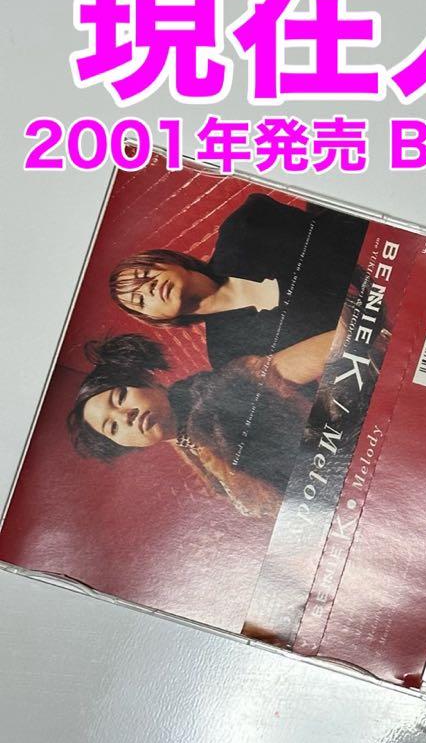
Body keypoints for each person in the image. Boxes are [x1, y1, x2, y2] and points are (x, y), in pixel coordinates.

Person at [67, 331, 336, 518]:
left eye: (120, 397)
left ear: (147, 380)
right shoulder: (188, 451)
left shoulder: (229, 384)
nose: (125, 416)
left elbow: (338, 342)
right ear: (122, 444)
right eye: (112, 427)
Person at [107, 193, 368, 370]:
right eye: (140, 300)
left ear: (166, 260)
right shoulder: (227, 356)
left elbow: (346, 230)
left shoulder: (246, 226)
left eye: (144, 275)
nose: (149, 288)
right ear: (155, 319)